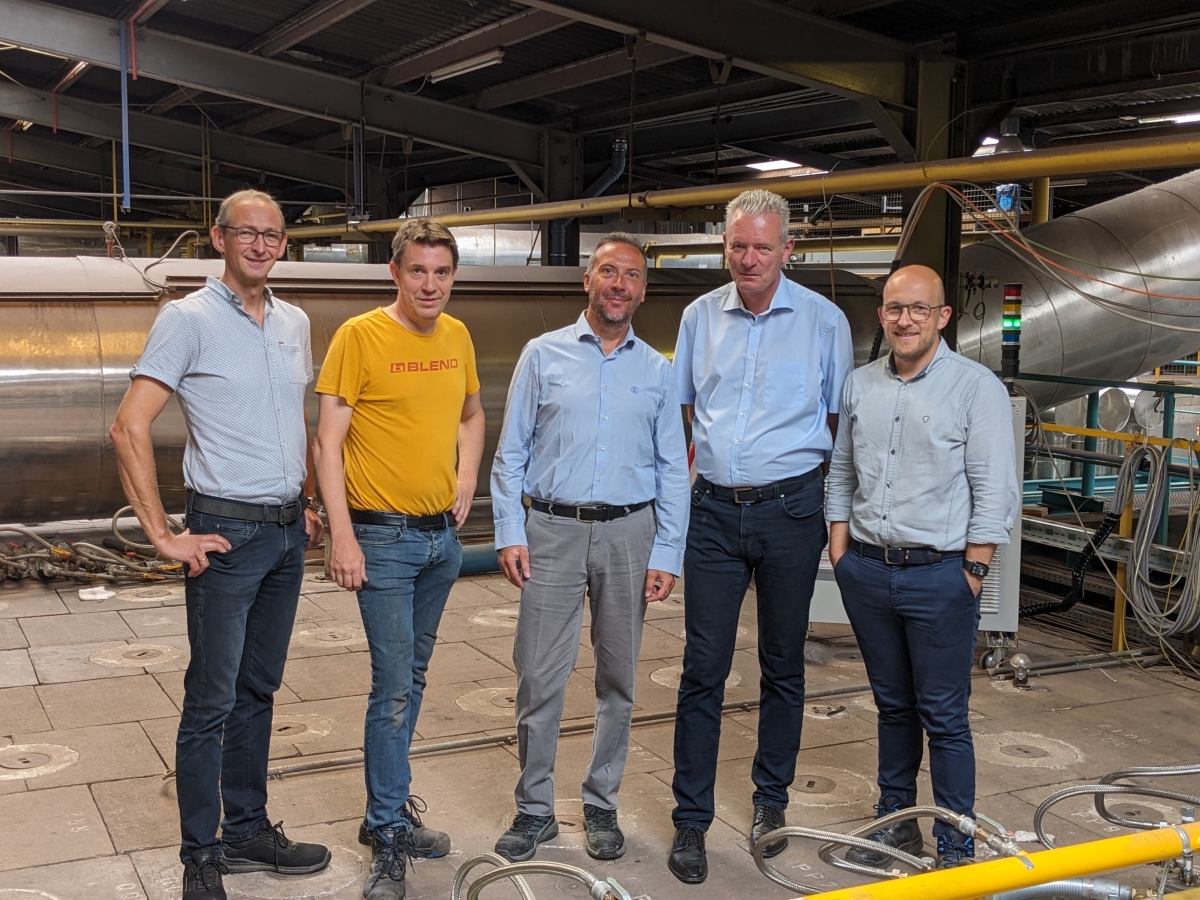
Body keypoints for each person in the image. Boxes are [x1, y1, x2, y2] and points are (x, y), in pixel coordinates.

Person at [110, 190, 330, 900]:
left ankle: (247, 831)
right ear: (219, 238)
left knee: (258, 689)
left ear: (284, 244)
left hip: (287, 533)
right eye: (247, 233)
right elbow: (128, 425)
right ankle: (200, 855)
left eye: (273, 234)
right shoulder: (187, 318)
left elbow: (293, 418)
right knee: (211, 699)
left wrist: (307, 502)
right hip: (226, 534)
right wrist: (162, 535)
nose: (261, 245)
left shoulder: (294, 322)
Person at [668, 189, 854, 884]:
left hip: (791, 512)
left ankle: (770, 803)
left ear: (787, 250)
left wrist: (830, 516)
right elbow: (685, 411)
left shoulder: (824, 321)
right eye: (738, 246)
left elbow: (837, 424)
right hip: (713, 514)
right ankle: (691, 819)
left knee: (783, 664)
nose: (749, 259)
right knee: (702, 668)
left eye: (763, 247)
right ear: (725, 246)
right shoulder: (698, 317)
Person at [490, 233, 690, 864]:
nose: (618, 285)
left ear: (642, 290)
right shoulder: (541, 354)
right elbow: (510, 453)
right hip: (552, 530)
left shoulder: (657, 371)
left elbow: (673, 468)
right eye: (608, 271)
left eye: (631, 275)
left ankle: (602, 803)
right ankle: (534, 809)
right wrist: (510, 530)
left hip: (630, 532)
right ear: (588, 280)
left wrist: (668, 552)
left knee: (618, 677)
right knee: (538, 674)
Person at [313, 218, 485, 900]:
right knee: (391, 689)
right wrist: (341, 534)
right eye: (418, 271)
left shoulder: (459, 335)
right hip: (381, 539)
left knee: (410, 679)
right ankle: (387, 832)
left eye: (442, 273)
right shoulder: (359, 337)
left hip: (441, 542)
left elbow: (471, 415)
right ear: (395, 272)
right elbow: (328, 443)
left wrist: (466, 477)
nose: (430, 285)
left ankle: (385, 810)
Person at [826, 264, 1019, 869]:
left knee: (944, 716)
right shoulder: (860, 384)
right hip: (866, 569)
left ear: (942, 316)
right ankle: (896, 824)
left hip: (941, 576)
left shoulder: (975, 388)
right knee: (892, 706)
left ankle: (955, 845)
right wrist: (840, 550)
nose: (904, 320)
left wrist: (974, 571)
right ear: (881, 315)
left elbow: (994, 488)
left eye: (918, 309)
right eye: (894, 308)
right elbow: (841, 469)